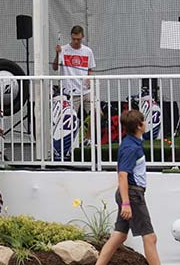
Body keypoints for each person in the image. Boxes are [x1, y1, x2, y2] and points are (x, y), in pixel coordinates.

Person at [95, 110, 160, 265]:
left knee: (119, 235)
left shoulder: (132, 143)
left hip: (130, 194)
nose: (145, 123)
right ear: (139, 126)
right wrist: (126, 203)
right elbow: (122, 175)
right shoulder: (131, 148)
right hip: (132, 195)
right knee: (150, 237)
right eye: (143, 121)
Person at [52, 25, 96, 137]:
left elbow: (90, 69)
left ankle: (89, 138)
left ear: (83, 37)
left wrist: (89, 78)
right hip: (71, 92)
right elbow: (55, 67)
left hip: (86, 90)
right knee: (70, 118)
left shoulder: (87, 51)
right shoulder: (64, 49)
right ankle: (72, 139)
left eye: (78, 39)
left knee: (96, 113)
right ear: (71, 37)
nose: (76, 41)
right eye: (74, 39)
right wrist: (57, 54)